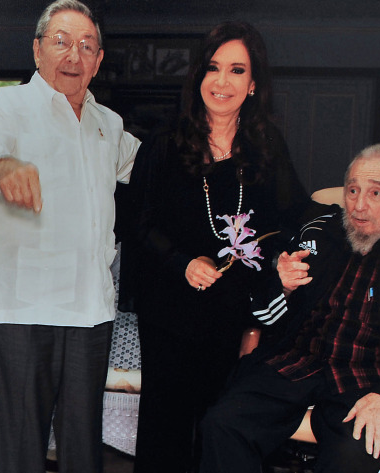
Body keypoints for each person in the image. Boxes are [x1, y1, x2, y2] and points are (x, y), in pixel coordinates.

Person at [119, 21, 318, 473]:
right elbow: (140, 223)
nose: (222, 81)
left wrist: (321, 236)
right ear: (198, 77)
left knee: (220, 427)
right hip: (170, 309)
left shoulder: (265, 148)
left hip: (233, 313)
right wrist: (182, 262)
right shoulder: (164, 144)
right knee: (165, 430)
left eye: (236, 70)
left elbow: (294, 214)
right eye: (213, 68)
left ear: (253, 85)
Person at [0, 1, 140, 472]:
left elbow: (156, 170)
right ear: (37, 51)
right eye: (60, 41)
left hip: (91, 308)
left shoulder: (109, 124)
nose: (73, 55)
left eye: (86, 45)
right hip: (21, 305)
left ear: (98, 61)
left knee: (83, 448)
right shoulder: (6, 106)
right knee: (22, 449)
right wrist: (2, 166)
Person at [198, 144, 380, 473]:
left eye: (376, 192)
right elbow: (263, 315)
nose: (359, 205)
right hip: (297, 363)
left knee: (354, 453)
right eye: (352, 190)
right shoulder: (318, 231)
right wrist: (282, 286)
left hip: (370, 379)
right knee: (222, 424)